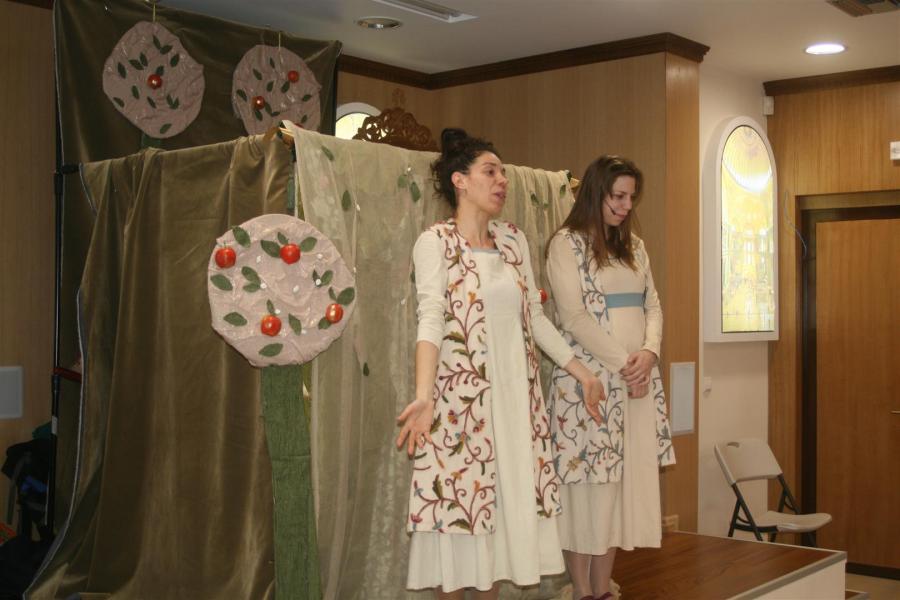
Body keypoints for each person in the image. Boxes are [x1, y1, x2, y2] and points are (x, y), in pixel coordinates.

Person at [395, 128, 605, 599]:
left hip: (516, 409)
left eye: (503, 173)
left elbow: (535, 318)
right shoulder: (435, 243)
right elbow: (431, 320)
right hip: (461, 410)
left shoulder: (512, 241)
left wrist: (583, 372)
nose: (502, 180)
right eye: (490, 171)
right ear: (460, 181)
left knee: (499, 543)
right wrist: (424, 397)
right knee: (459, 528)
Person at [545, 156, 675, 600]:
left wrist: (650, 352)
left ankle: (603, 589)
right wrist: (626, 363)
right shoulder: (566, 244)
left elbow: (653, 305)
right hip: (591, 385)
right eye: (617, 196)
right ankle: (582, 589)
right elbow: (574, 317)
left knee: (618, 489)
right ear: (595, 193)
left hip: (636, 383)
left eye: (630, 197)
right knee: (588, 489)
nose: (625, 205)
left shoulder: (635, 246)